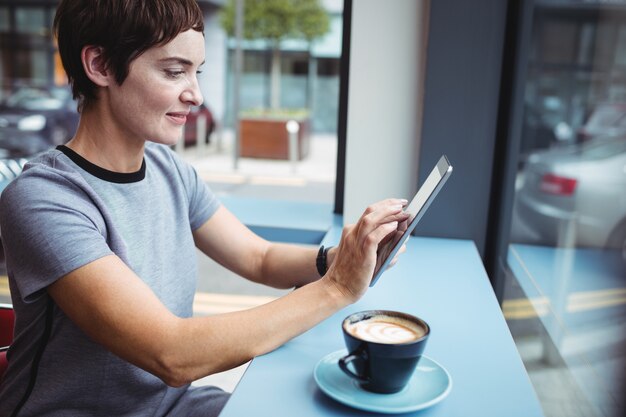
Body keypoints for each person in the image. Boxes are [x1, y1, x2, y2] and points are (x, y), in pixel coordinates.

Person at [0, 1, 409, 416]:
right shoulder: (44, 199)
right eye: (174, 71)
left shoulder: (169, 170)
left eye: (198, 72)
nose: (195, 94)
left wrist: (340, 258)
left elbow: (259, 257)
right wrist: (337, 288)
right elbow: (171, 353)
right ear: (101, 65)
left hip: (175, 406)